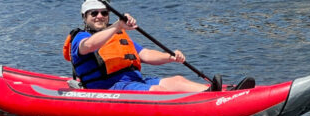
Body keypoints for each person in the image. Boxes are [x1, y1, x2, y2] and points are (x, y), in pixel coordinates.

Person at [64, 0, 212, 92]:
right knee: (157, 90)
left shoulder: (116, 35)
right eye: (94, 13)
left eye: (104, 12)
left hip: (135, 81)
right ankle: (203, 107)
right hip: (110, 87)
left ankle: (213, 93)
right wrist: (117, 26)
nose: (100, 16)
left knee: (178, 80)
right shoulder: (81, 37)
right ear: (85, 17)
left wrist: (170, 56)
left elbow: (145, 54)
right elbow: (88, 46)